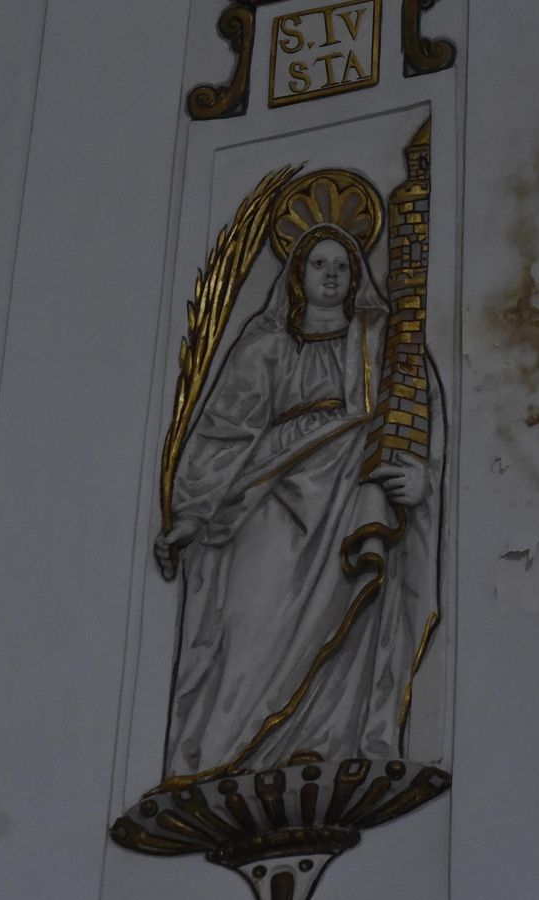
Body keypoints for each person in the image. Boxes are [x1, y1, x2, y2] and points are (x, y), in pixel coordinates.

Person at [153, 222, 441, 788]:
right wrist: (190, 512)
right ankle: (226, 754)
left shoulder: (380, 338)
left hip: (351, 498)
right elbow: (224, 433)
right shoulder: (266, 347)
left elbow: (414, 409)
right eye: (319, 265)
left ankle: (321, 744)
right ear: (297, 275)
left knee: (352, 614)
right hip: (271, 498)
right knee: (247, 623)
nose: (331, 276)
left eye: (342, 266)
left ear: (356, 276)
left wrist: (420, 475)